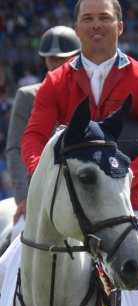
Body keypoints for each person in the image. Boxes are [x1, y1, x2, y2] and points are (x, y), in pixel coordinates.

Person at [21, 0, 138, 306]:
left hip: (131, 198)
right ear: (77, 28)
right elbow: (33, 137)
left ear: (119, 26)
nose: (96, 25)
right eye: (88, 19)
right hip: (65, 201)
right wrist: (43, 181)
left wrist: (123, 180)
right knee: (10, 258)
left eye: (104, 18)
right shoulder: (55, 81)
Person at [6, 26, 81, 239]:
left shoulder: (90, 94)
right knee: (18, 235)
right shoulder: (26, 95)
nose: (55, 64)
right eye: (51, 59)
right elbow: (15, 148)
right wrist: (23, 197)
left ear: (76, 57)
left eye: (61, 58)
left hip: (81, 190)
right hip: (37, 191)